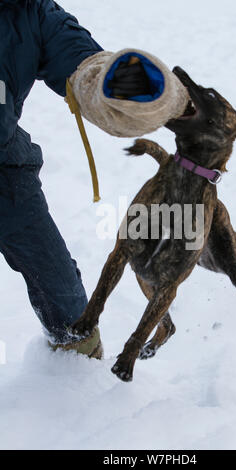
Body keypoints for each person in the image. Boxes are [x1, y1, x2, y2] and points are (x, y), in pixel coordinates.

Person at [0, 0, 151, 358]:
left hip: (5, 168)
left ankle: (77, 375)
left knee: (64, 298)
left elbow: (82, 61)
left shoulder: (31, 12)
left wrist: (123, 87)